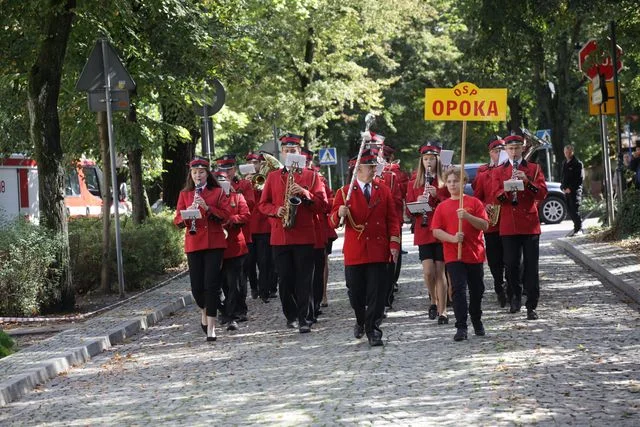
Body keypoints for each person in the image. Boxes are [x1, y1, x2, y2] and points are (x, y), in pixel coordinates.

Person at [258, 133, 328, 333]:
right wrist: (276, 210)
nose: (290, 153)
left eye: (294, 150)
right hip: (280, 235)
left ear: (300, 152)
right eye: (287, 151)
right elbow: (263, 205)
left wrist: (305, 193)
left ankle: (304, 318)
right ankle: (291, 315)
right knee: (286, 279)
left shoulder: (311, 176)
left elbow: (323, 205)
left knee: (304, 279)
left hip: (305, 236)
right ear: (282, 153)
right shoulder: (272, 177)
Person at [330, 148, 400, 347]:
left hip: (378, 249)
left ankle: (373, 329)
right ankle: (361, 320)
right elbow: (332, 222)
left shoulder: (383, 190)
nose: (373, 170)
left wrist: (394, 243)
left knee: (377, 294)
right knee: (355, 293)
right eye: (370, 167)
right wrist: (339, 212)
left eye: (373, 167)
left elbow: (392, 220)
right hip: (356, 250)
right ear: (358, 169)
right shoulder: (344, 192)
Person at [173, 157, 231, 342]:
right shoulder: (185, 194)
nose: (198, 175)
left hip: (214, 243)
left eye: (202, 172)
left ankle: (212, 328)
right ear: (191, 174)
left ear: (207, 174)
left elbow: (225, 215)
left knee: (211, 285)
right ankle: (205, 310)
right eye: (195, 172)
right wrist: (187, 213)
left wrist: (208, 208)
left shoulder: (217, 192)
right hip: (194, 243)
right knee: (197, 288)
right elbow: (177, 220)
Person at [491, 135, 548, 320]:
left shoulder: (533, 168)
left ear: (523, 149)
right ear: (505, 150)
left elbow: (542, 193)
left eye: (517, 148)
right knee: (511, 264)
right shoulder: (499, 171)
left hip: (529, 224)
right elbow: (495, 198)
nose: (514, 152)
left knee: (532, 266)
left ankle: (532, 304)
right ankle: (514, 297)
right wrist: (506, 191)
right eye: (510, 149)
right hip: (509, 224)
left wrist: (527, 182)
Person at [432, 167, 489, 341]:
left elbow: (485, 225)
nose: (452, 185)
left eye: (455, 181)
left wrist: (467, 217)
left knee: (477, 290)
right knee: (458, 289)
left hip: (474, 253)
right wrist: (452, 238)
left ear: (463, 182)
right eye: (448, 182)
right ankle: (461, 326)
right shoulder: (442, 207)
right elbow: (436, 231)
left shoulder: (474, 203)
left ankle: (476, 319)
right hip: (453, 255)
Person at [405, 141, 450, 324]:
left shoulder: (445, 182)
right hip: (423, 231)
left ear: (437, 160)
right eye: (425, 159)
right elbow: (408, 212)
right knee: (428, 272)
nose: (428, 162)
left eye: (432, 158)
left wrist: (437, 196)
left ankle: (443, 310)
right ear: (421, 161)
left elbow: (449, 205)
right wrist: (418, 202)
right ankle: (433, 299)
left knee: (440, 271)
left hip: (440, 231)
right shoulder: (413, 183)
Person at [473, 136, 508, 307]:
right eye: (496, 151)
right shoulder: (483, 172)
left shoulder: (510, 169)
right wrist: (485, 206)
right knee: (494, 259)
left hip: (509, 220)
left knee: (511, 257)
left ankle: (512, 286)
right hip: (492, 222)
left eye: (502, 150)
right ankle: (499, 286)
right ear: (490, 153)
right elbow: (477, 196)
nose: (499, 154)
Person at [215, 171, 251, 331]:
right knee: (220, 285)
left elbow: (245, 215)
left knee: (235, 284)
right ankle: (225, 311)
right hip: (216, 249)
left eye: (224, 181)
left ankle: (232, 315)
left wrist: (232, 220)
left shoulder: (237, 198)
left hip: (235, 247)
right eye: (219, 181)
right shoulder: (212, 201)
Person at [561, 144, 584, 236]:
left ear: (572, 152)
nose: (567, 154)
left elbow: (579, 179)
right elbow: (562, 177)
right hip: (566, 191)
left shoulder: (577, 163)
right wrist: (562, 187)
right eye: (565, 152)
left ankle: (579, 229)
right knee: (570, 210)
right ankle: (576, 229)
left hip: (575, 191)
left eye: (569, 152)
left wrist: (570, 188)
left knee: (575, 210)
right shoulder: (564, 163)